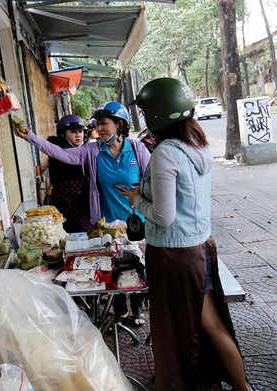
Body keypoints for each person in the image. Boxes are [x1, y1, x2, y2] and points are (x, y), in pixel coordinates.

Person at [124, 78, 248, 390]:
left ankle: (235, 386)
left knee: (188, 327)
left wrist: (136, 199)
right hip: (199, 247)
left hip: (175, 255)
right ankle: (233, 385)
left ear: (156, 115)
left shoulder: (166, 152)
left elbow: (164, 216)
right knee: (207, 323)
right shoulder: (196, 144)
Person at [13, 101, 150, 325]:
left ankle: (137, 309)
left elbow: (153, 181)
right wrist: (31, 137)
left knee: (136, 267)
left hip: (138, 223)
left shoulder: (137, 149)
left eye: (104, 124)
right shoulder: (93, 150)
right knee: (113, 268)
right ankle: (120, 310)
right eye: (98, 125)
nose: (100, 129)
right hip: (107, 227)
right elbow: (61, 154)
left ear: (120, 124)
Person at [45, 114, 93, 233]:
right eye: (73, 132)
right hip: (66, 200)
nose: (78, 135)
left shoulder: (86, 149)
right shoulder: (57, 150)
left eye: (80, 131)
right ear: (62, 133)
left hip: (83, 200)